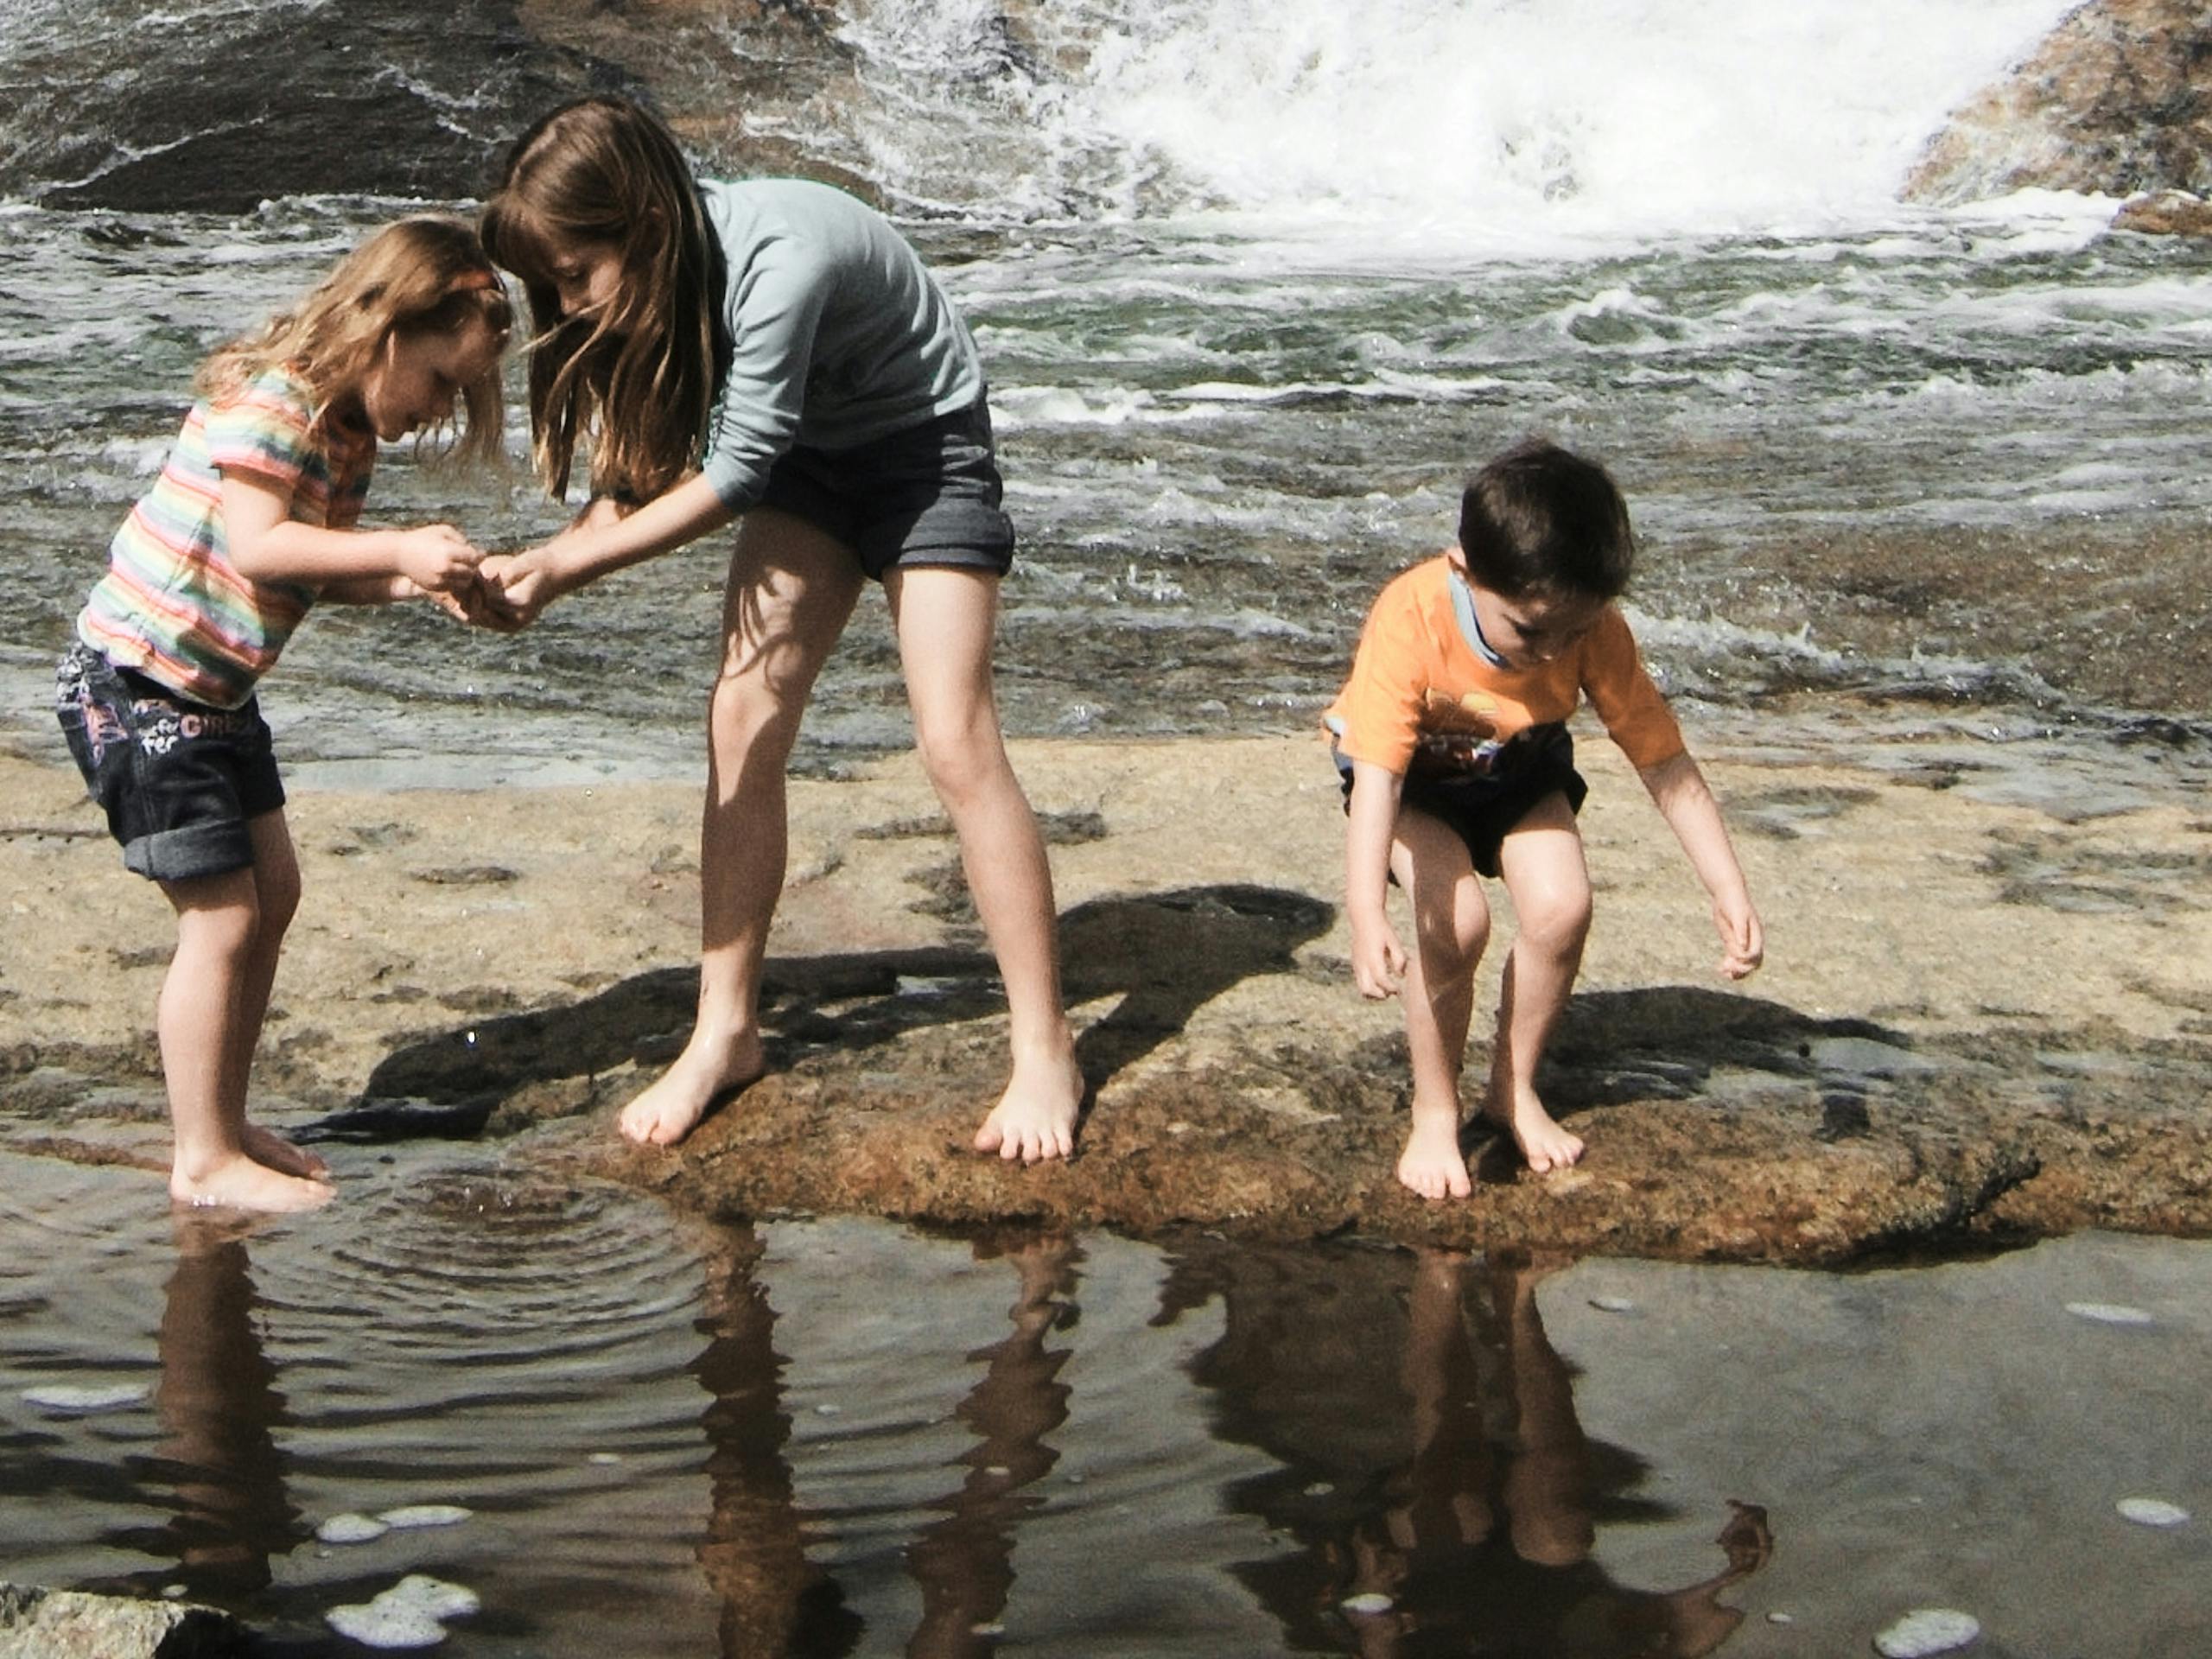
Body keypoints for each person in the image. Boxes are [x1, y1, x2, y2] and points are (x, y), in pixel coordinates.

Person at [474, 95, 1085, 1162]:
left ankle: (1045, 1048)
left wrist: (567, 568)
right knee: (741, 719)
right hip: (811, 459)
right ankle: (726, 1030)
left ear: (644, 224)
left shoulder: (781, 262)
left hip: (922, 448)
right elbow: (642, 478)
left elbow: (735, 475)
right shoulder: (658, 282)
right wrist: (537, 561)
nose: (566, 305)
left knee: (953, 737)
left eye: (575, 274)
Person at [54, 216, 512, 1213]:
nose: (440, 409)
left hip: (215, 692)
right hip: (137, 683)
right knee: (223, 917)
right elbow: (261, 546)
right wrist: (399, 547)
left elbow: (313, 572)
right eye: (441, 382)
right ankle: (201, 1159)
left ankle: (222, 1119)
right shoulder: (276, 400)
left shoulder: (349, 435)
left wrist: (419, 585)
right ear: (388, 327)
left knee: (275, 891)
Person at [1326, 439, 1762, 1199]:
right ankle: (1435, 1111)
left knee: (1563, 907)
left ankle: (1513, 1088)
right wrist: (1366, 910)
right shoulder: (1413, 615)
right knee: (1456, 923)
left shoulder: (1590, 628)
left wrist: (1727, 887)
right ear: (1465, 569)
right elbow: (1380, 777)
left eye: (1574, 632)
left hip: (1520, 766)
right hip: (1413, 784)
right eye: (1530, 631)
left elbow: (1663, 761)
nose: (1552, 652)